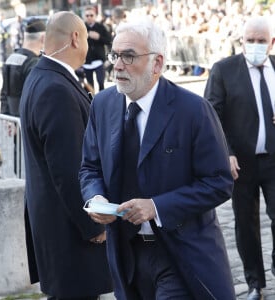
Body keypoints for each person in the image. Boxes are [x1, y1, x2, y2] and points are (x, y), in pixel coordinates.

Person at [79, 18, 235, 300]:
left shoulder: (193, 110)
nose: (116, 65)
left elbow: (219, 182)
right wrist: (96, 199)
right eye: (115, 55)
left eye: (129, 56)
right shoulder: (102, 105)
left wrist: (156, 207)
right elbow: (90, 168)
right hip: (126, 254)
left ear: (157, 63)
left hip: (179, 252)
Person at [19, 11, 112, 300]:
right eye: (84, 37)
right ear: (75, 38)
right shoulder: (56, 88)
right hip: (68, 231)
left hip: (57, 224)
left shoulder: (44, 76)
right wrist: (93, 224)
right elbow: (69, 168)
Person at [204, 16, 275, 300]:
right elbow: (211, 114)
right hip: (241, 163)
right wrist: (226, 152)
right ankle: (254, 282)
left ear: (272, 42)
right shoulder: (224, 70)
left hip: (274, 160)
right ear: (242, 41)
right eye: (250, 40)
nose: (256, 46)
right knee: (245, 225)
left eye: (261, 41)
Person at [0, 17, 45, 177]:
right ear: (43, 38)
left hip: (15, 119)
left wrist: (6, 116)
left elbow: (4, 92)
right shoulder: (34, 63)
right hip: (29, 121)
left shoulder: (11, 57)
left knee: (19, 158)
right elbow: (34, 98)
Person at [82, 6, 111, 91]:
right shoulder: (81, 27)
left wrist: (98, 37)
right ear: (84, 16)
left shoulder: (101, 27)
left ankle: (102, 101)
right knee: (90, 86)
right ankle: (91, 103)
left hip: (99, 60)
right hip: (86, 61)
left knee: (101, 82)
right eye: (87, 16)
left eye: (91, 15)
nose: (89, 17)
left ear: (95, 15)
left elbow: (109, 41)